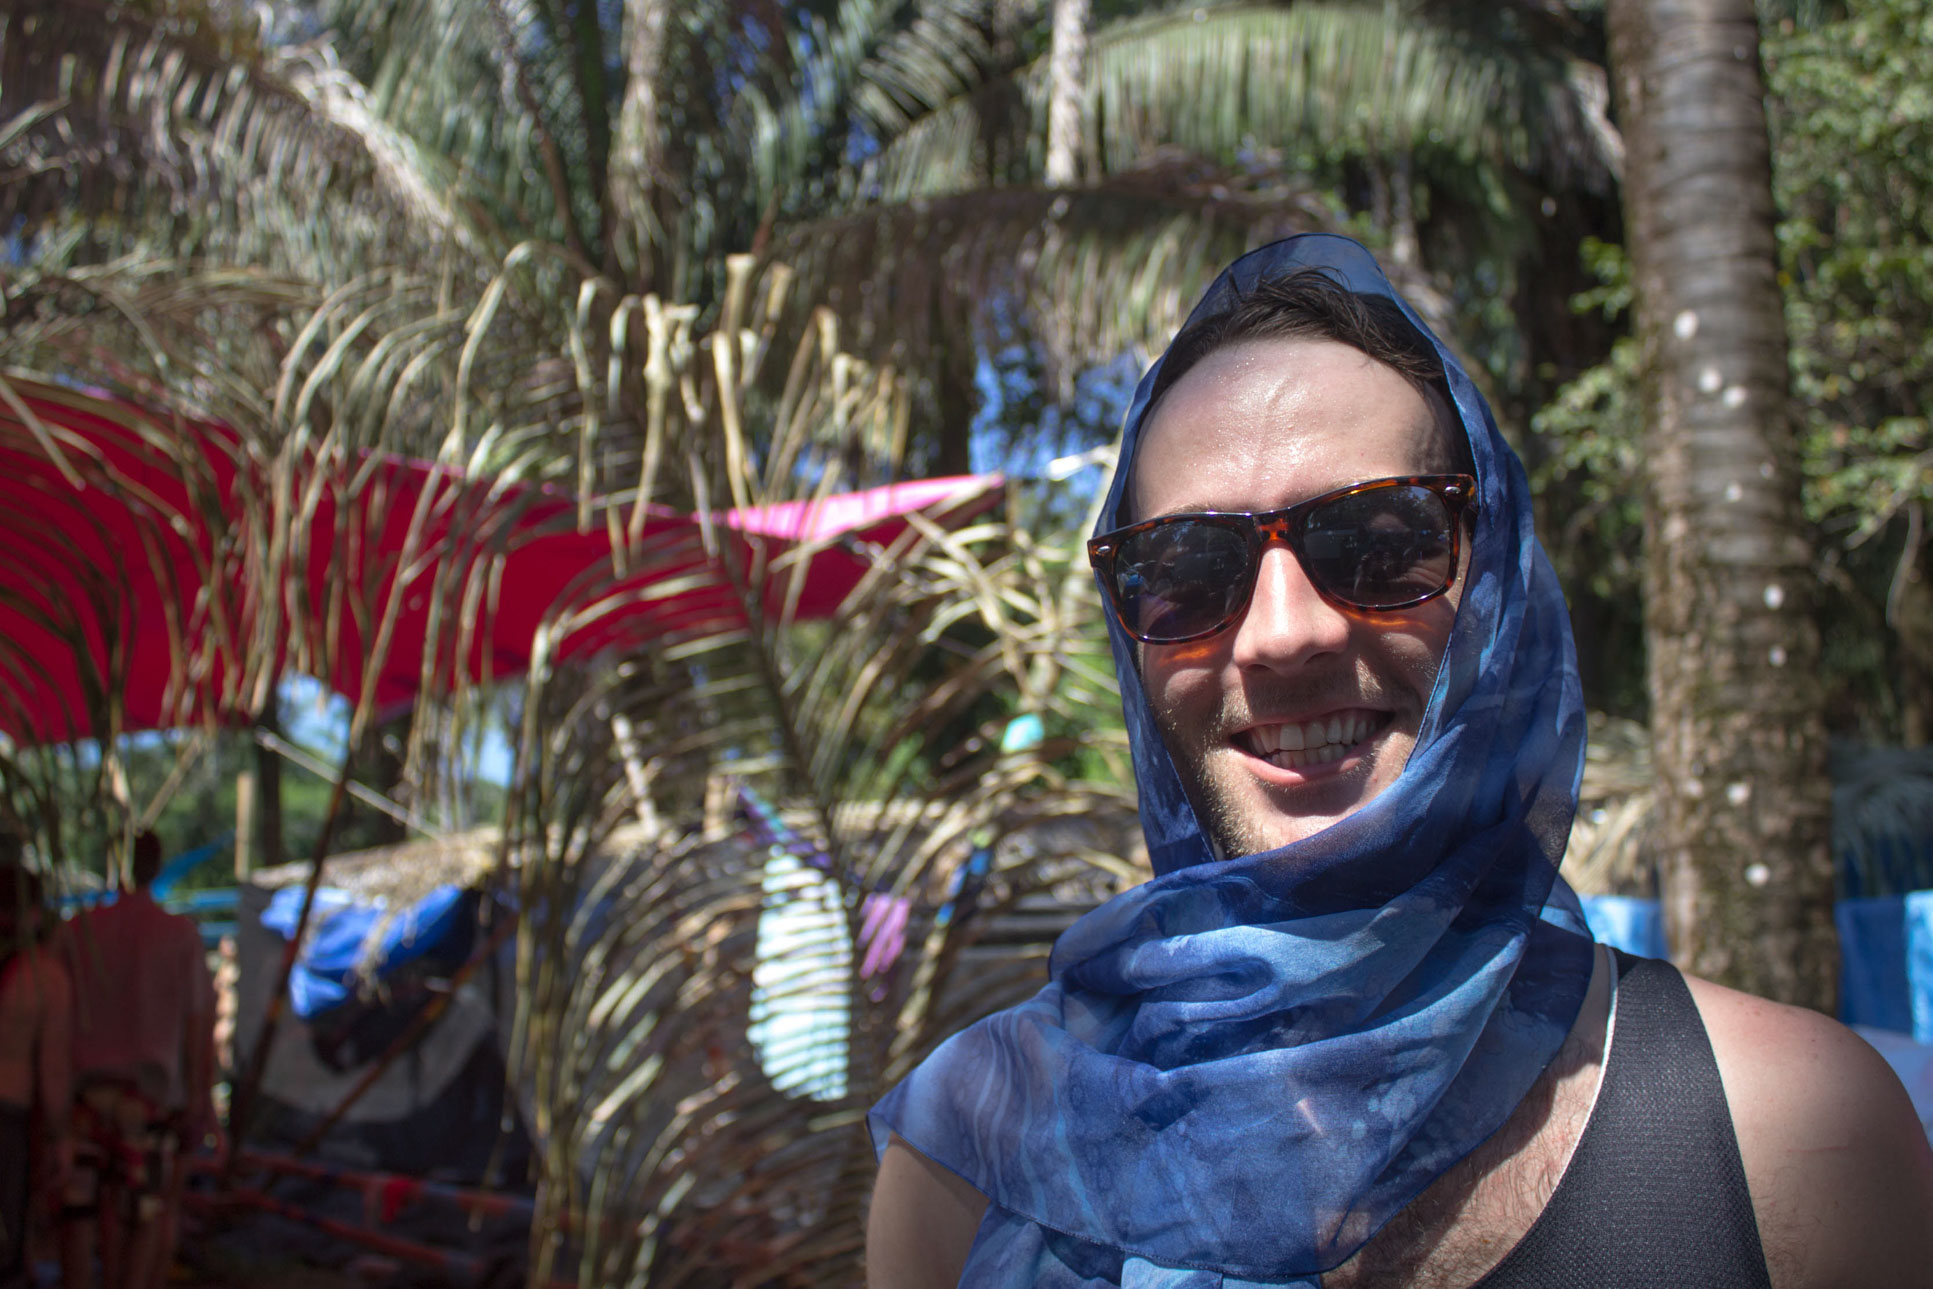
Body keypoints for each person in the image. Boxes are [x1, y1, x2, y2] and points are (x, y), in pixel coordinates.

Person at [865, 235, 1933, 1287]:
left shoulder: (1793, 1140)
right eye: (1186, 570)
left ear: (1497, 586)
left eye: (1379, 541)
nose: (1282, 633)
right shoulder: (968, 1172)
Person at [58, 831, 216, 1289]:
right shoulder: (178, 936)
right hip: (146, 1105)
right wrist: (199, 1098)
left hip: (87, 1101)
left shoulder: (79, 932)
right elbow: (198, 1022)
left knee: (82, 1211)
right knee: (143, 1216)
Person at [0, 838, 73, 1289]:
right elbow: (54, 1072)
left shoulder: (37, 975)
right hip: (9, 1125)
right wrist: (62, 1139)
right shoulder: (43, 977)